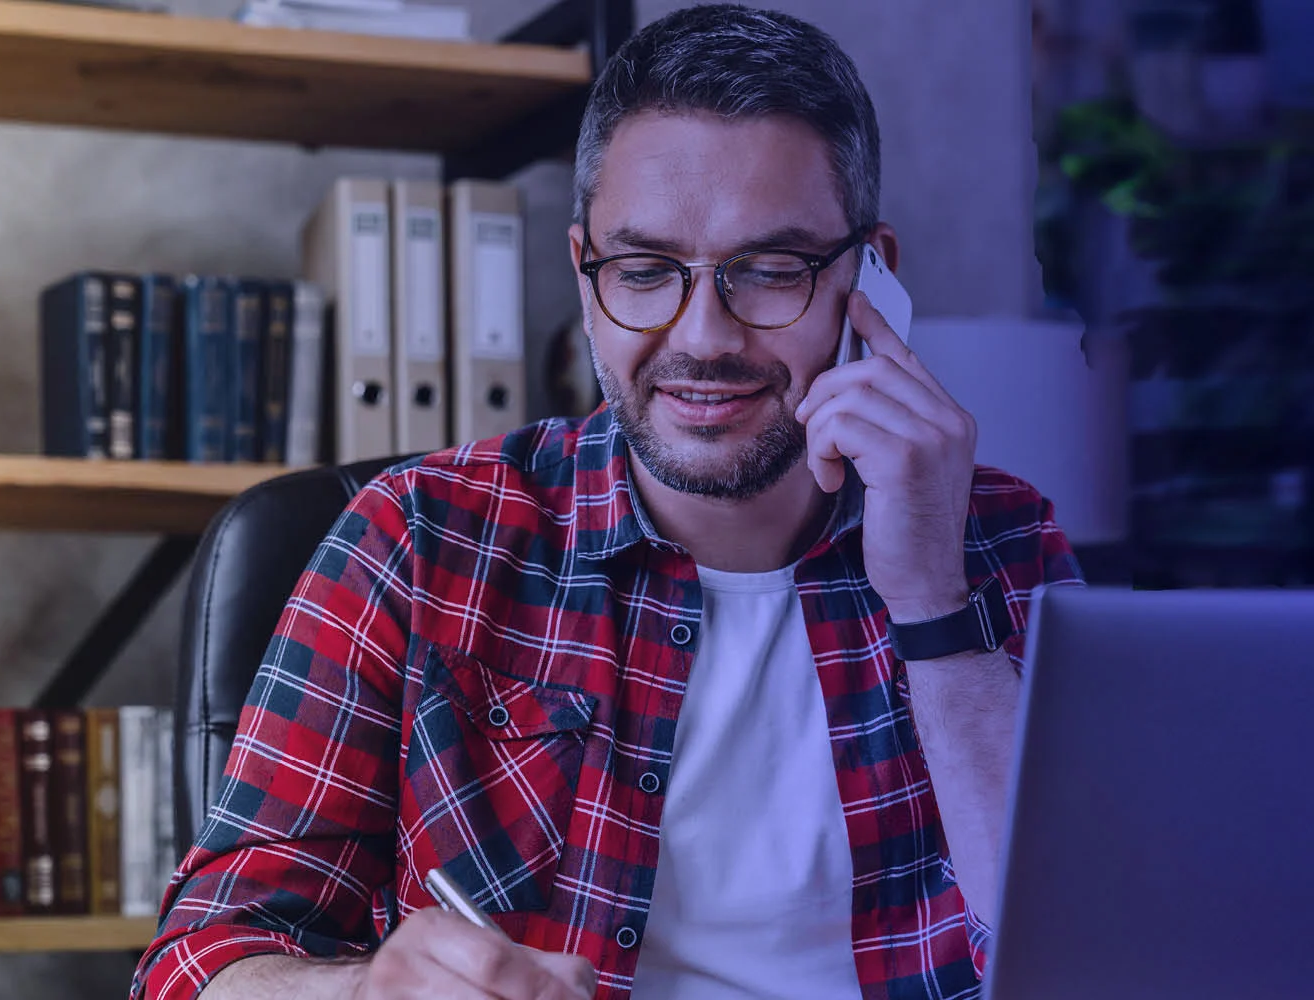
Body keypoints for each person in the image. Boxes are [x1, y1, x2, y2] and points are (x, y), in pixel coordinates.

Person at [132, 5, 1081, 999]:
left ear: (871, 275)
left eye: (769, 270)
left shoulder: (1005, 539)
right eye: (644, 271)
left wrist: (935, 604)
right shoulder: (418, 535)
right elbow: (199, 963)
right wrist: (358, 991)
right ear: (586, 277)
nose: (702, 335)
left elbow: (1101, 951)